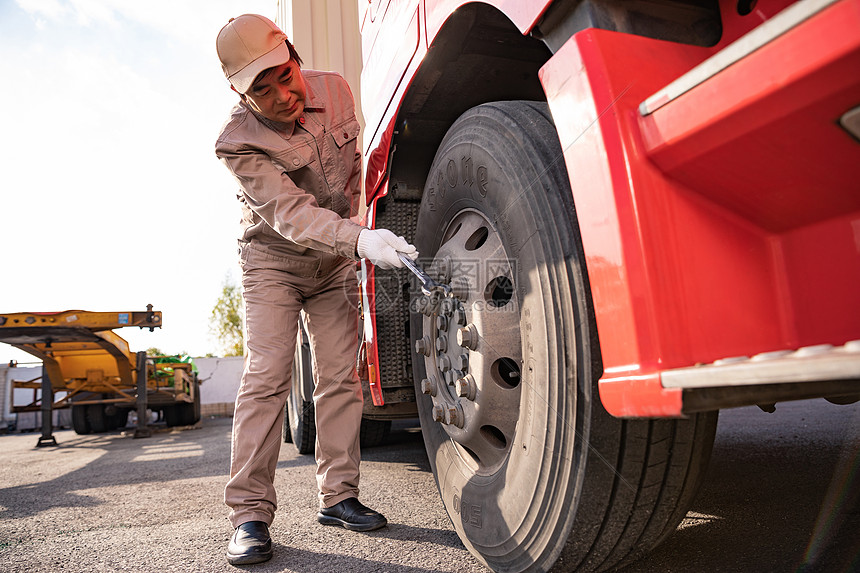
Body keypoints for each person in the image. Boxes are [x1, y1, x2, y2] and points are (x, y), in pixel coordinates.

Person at [214, 14, 417, 566]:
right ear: (240, 92)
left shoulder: (336, 90)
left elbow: (355, 174)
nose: (284, 94)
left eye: (285, 74)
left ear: (295, 56)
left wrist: (366, 232)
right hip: (273, 261)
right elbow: (291, 215)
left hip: (332, 263)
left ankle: (339, 497)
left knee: (340, 376)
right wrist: (360, 240)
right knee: (269, 374)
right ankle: (250, 515)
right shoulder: (236, 144)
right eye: (262, 88)